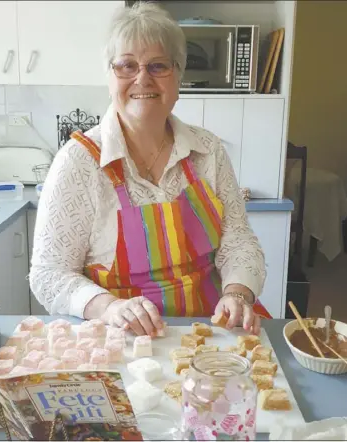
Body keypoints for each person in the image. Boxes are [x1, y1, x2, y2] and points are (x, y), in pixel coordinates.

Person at [29, 2, 270, 337]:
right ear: (110, 77)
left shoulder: (208, 150)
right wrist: (109, 307)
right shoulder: (79, 162)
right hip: (123, 341)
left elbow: (239, 242)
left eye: (158, 66)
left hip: (211, 334)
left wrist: (237, 293)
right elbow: (49, 274)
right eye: (126, 65)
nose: (142, 78)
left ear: (179, 76)